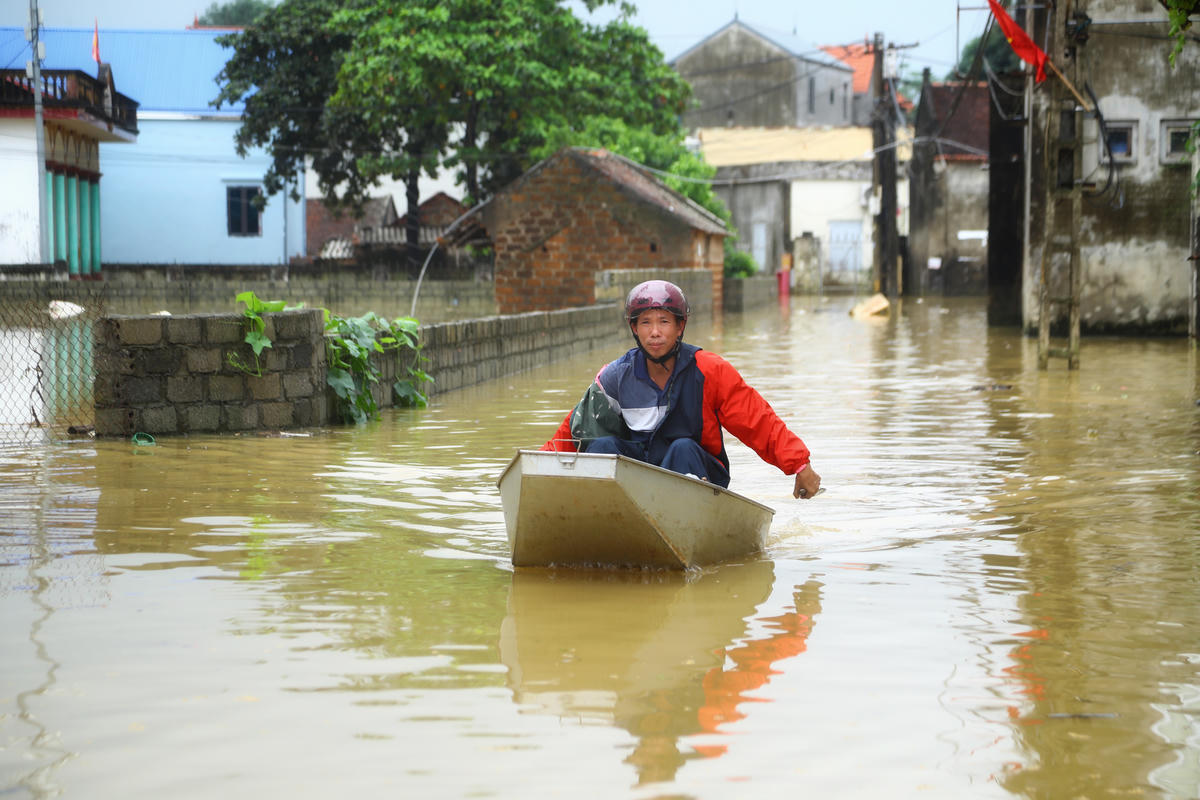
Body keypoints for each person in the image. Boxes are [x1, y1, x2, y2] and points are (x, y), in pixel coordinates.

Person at [542, 279, 821, 500]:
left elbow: (756, 421)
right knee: (601, 447)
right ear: (634, 329)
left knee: (682, 448)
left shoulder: (710, 370)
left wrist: (799, 465)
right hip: (639, 473)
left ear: (679, 327)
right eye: (645, 323)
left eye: (664, 321)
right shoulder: (615, 376)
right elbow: (574, 431)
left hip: (697, 471)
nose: (655, 332)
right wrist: (536, 470)